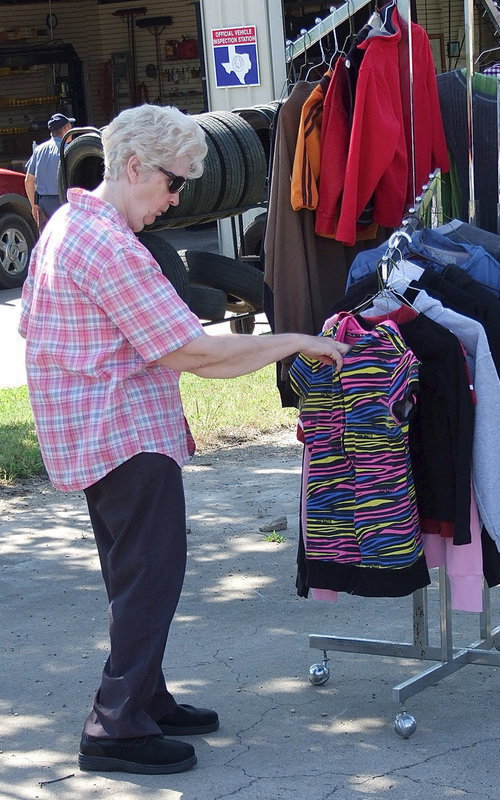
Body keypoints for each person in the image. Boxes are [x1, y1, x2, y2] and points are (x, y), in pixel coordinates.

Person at [18, 103, 348, 776]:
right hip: (121, 433)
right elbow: (196, 355)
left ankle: (144, 697)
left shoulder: (68, 224)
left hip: (91, 428)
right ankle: (115, 729)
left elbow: (33, 328)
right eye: (172, 183)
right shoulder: (110, 246)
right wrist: (301, 342)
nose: (173, 201)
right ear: (134, 166)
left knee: (132, 576)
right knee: (150, 578)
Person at [24, 112, 75, 234]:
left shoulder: (39, 150)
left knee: (48, 242)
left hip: (43, 204)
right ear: (66, 128)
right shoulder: (69, 149)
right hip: (64, 202)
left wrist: (34, 205)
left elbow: (28, 181)